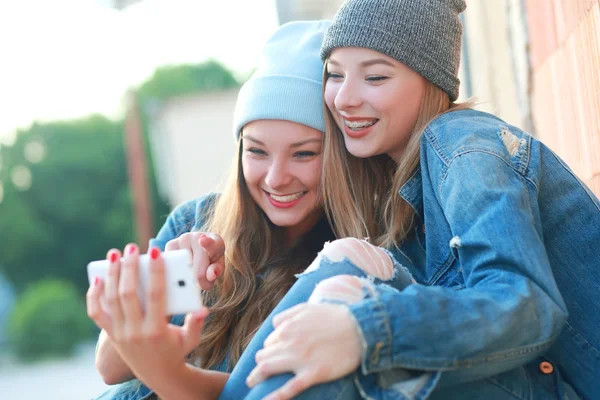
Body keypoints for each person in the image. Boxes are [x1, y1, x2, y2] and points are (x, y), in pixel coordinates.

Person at [219, 1, 600, 399]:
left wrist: (363, 333)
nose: (344, 98)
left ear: (430, 80)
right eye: (334, 74)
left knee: (346, 276)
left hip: (567, 386)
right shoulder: (396, 188)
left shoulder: (463, 146)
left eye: (376, 77)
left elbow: (527, 306)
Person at [86, 20, 337, 400]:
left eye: (303, 153)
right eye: (256, 150)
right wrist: (170, 285)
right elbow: (109, 368)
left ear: (338, 156)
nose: (275, 178)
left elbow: (271, 391)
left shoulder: (349, 258)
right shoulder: (195, 219)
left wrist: (167, 371)